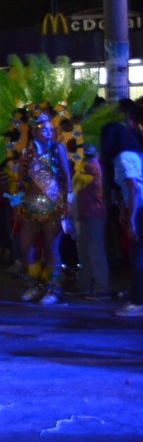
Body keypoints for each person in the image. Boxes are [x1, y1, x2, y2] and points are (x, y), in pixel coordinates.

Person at [11, 112, 72, 305]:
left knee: (51, 247)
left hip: (53, 206)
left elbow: (66, 176)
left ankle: (53, 288)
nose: (46, 131)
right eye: (41, 128)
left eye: (49, 128)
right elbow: (20, 181)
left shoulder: (57, 149)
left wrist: (67, 202)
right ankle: (35, 284)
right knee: (25, 247)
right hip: (30, 206)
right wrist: (16, 204)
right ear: (33, 132)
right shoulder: (26, 152)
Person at [102, 122, 143, 317]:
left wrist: (132, 219)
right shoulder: (134, 154)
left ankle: (137, 301)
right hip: (136, 208)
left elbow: (134, 188)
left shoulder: (123, 157)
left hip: (140, 209)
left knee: (137, 257)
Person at [73, 145, 110, 299]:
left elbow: (76, 183)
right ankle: (84, 286)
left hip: (94, 213)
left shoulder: (91, 166)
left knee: (94, 251)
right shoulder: (93, 165)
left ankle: (102, 289)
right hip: (89, 214)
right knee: (85, 251)